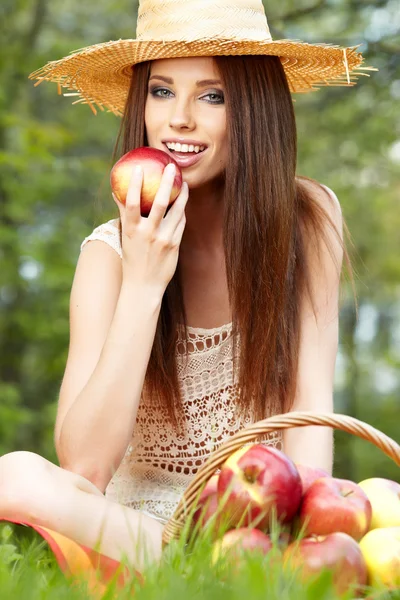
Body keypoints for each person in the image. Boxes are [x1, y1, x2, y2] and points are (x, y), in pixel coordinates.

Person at [0, 0, 373, 577]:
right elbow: (85, 468)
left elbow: (310, 406)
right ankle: (203, 566)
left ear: (254, 108)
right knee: (16, 476)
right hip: (130, 535)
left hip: (258, 522)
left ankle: (223, 566)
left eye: (212, 95)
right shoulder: (107, 257)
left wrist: (306, 537)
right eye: (161, 91)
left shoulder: (308, 220)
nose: (178, 119)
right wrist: (144, 284)